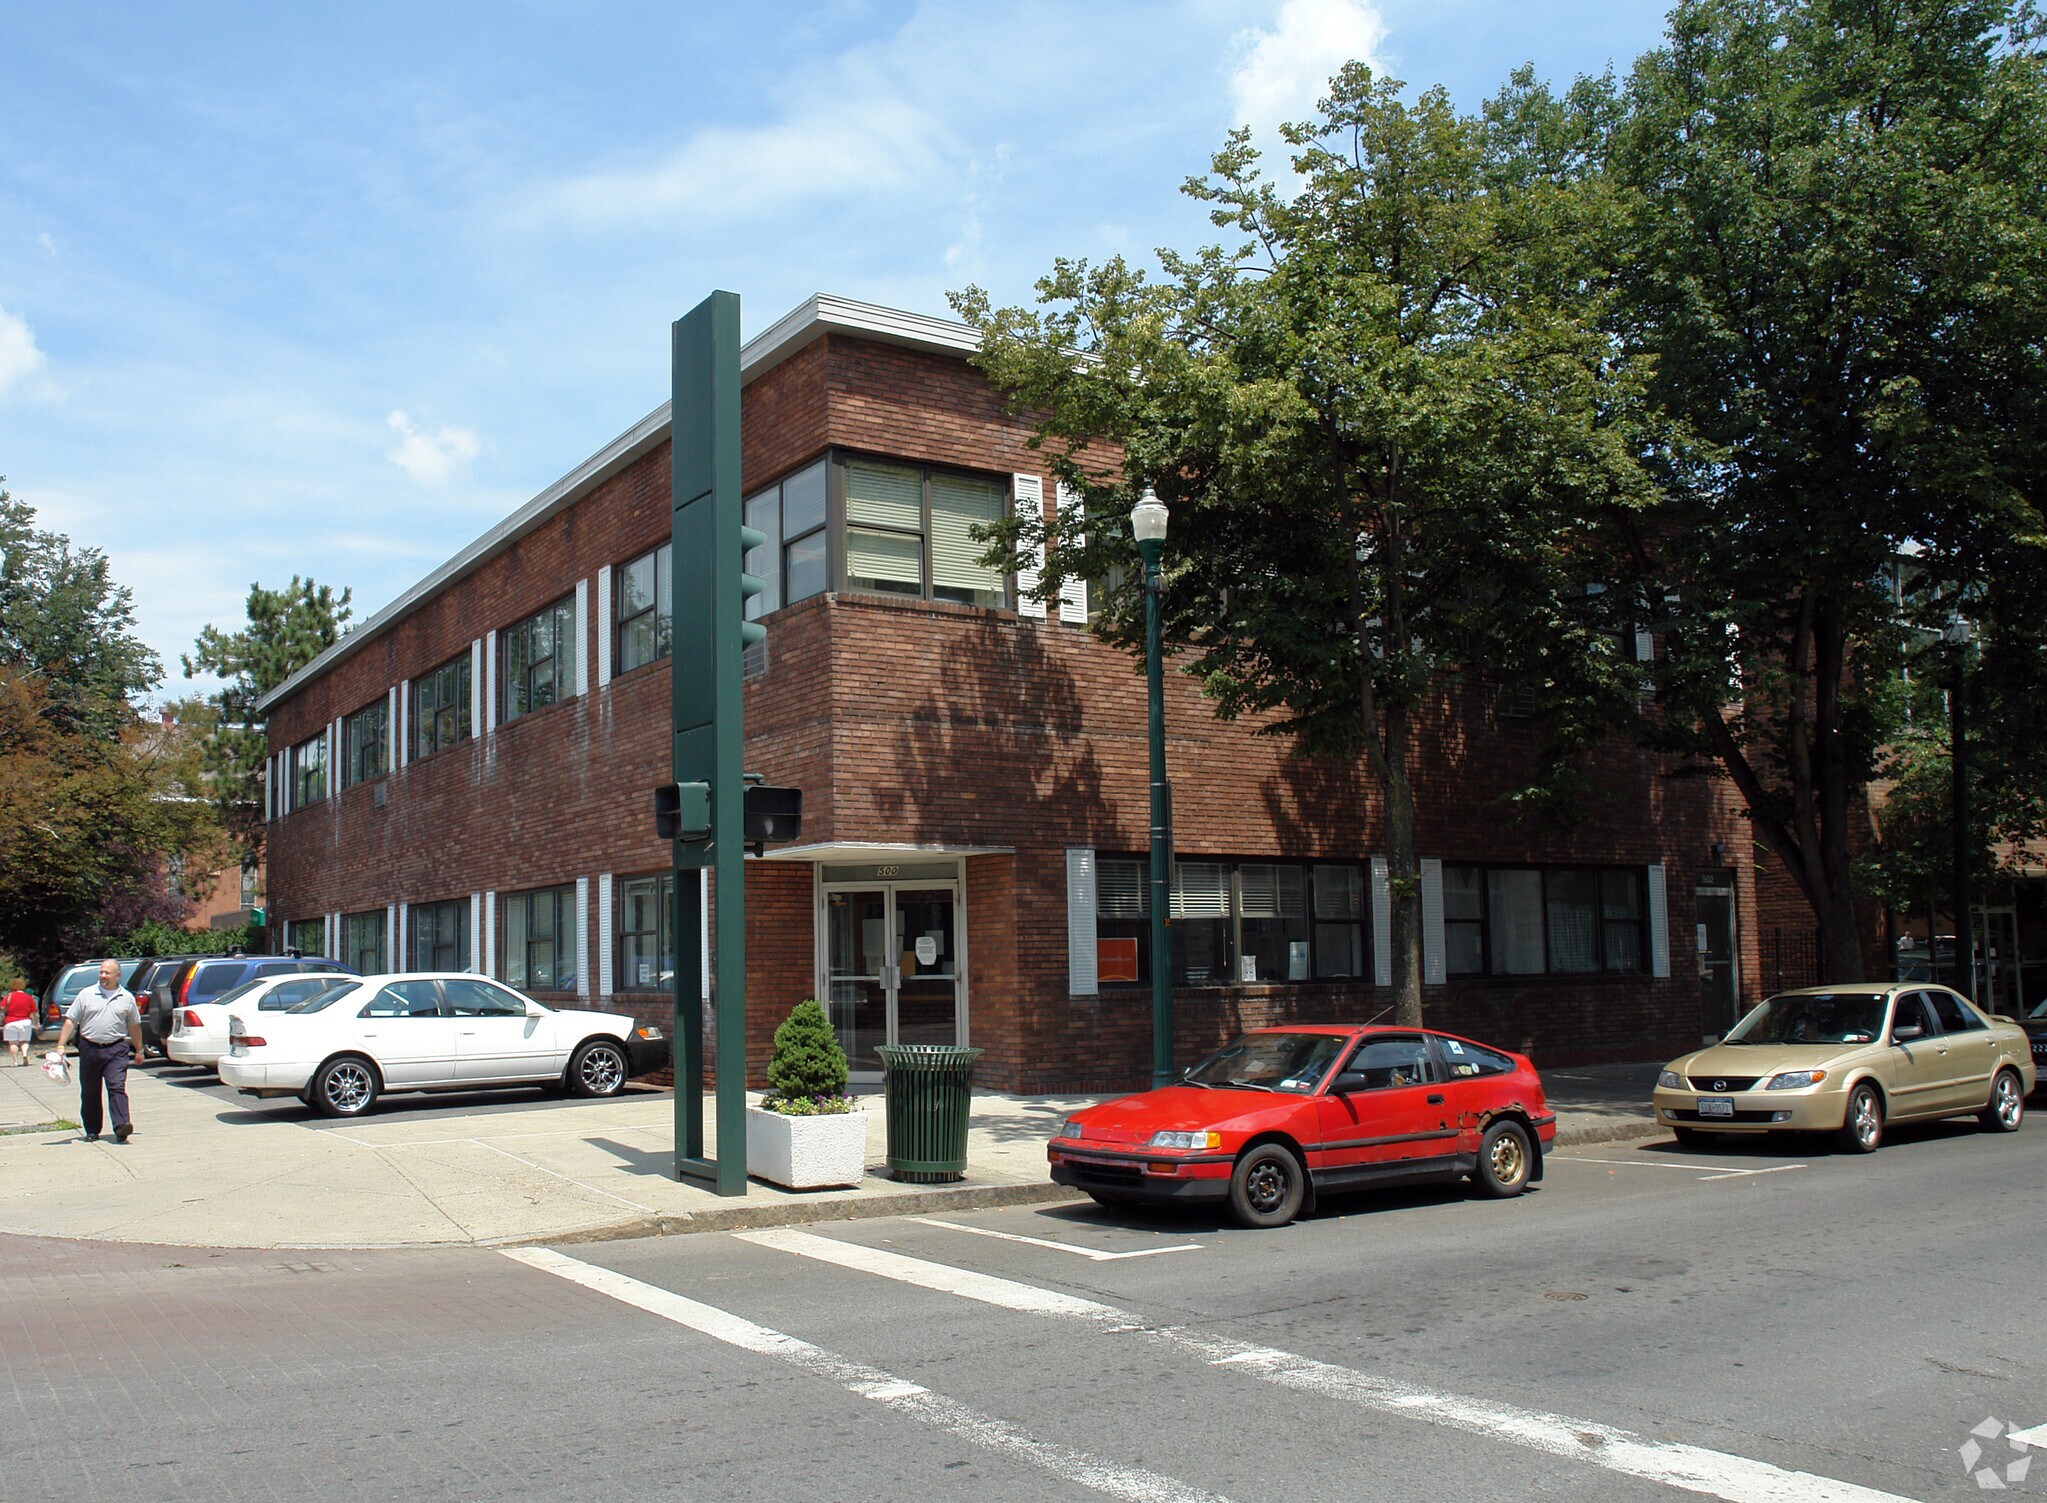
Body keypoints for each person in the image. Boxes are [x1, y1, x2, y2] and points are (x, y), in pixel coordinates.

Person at [53, 958, 145, 1143]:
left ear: (117, 975)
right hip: (90, 1048)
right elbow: (71, 1020)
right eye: (101, 972)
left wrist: (139, 1049)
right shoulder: (86, 994)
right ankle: (92, 1129)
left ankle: (121, 1126)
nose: (103, 975)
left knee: (116, 1086)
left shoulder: (126, 998)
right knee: (90, 1090)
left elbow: (134, 1025)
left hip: (116, 1048)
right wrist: (60, 1046)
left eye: (107, 973)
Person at [2, 983, 34, 1065]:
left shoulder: (9, 996)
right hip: (25, 1021)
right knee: (25, 1041)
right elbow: (34, 1011)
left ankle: (15, 1061)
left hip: (11, 1022)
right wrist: (36, 1023)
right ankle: (24, 1053)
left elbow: (2, 1007)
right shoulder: (28, 997)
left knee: (13, 1043)